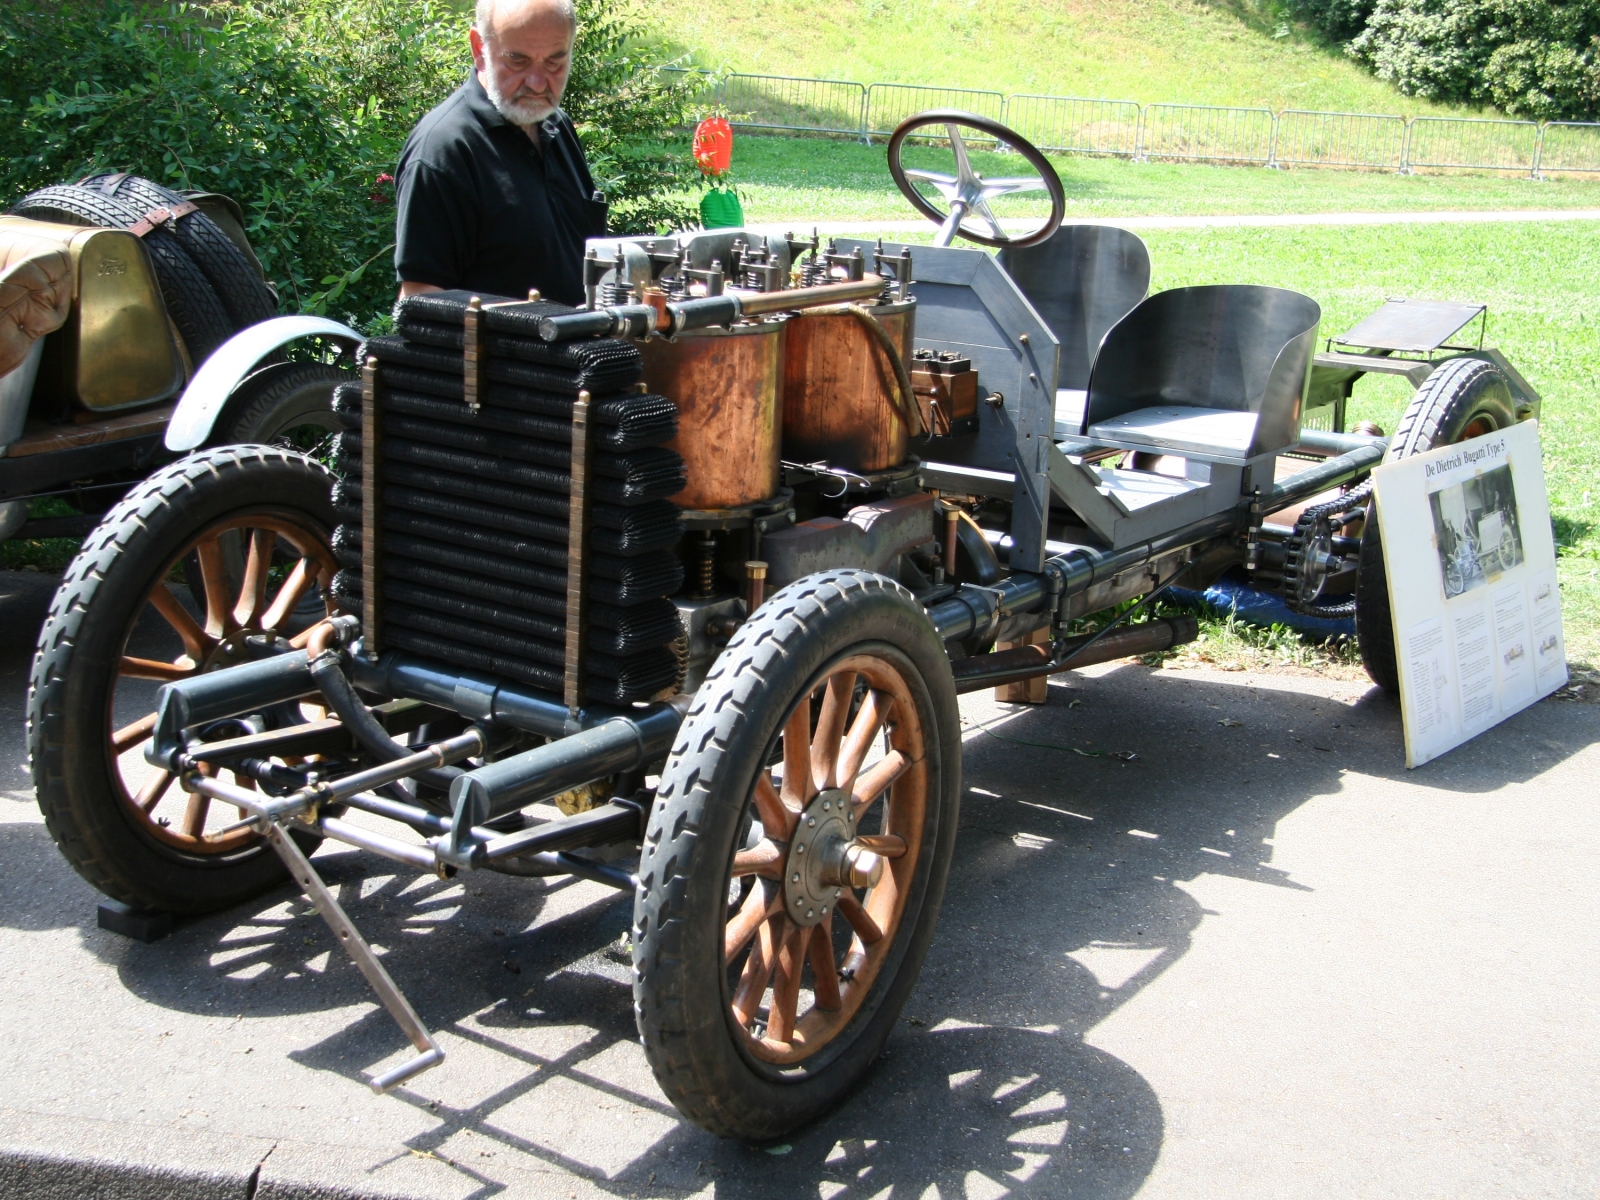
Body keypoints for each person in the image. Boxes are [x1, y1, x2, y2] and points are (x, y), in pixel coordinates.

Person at [393, 0, 606, 306]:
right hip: (492, 354)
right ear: (479, 47)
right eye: (518, 61)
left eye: (554, 62)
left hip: (586, 351)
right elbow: (421, 300)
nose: (536, 83)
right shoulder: (443, 150)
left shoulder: (556, 126)